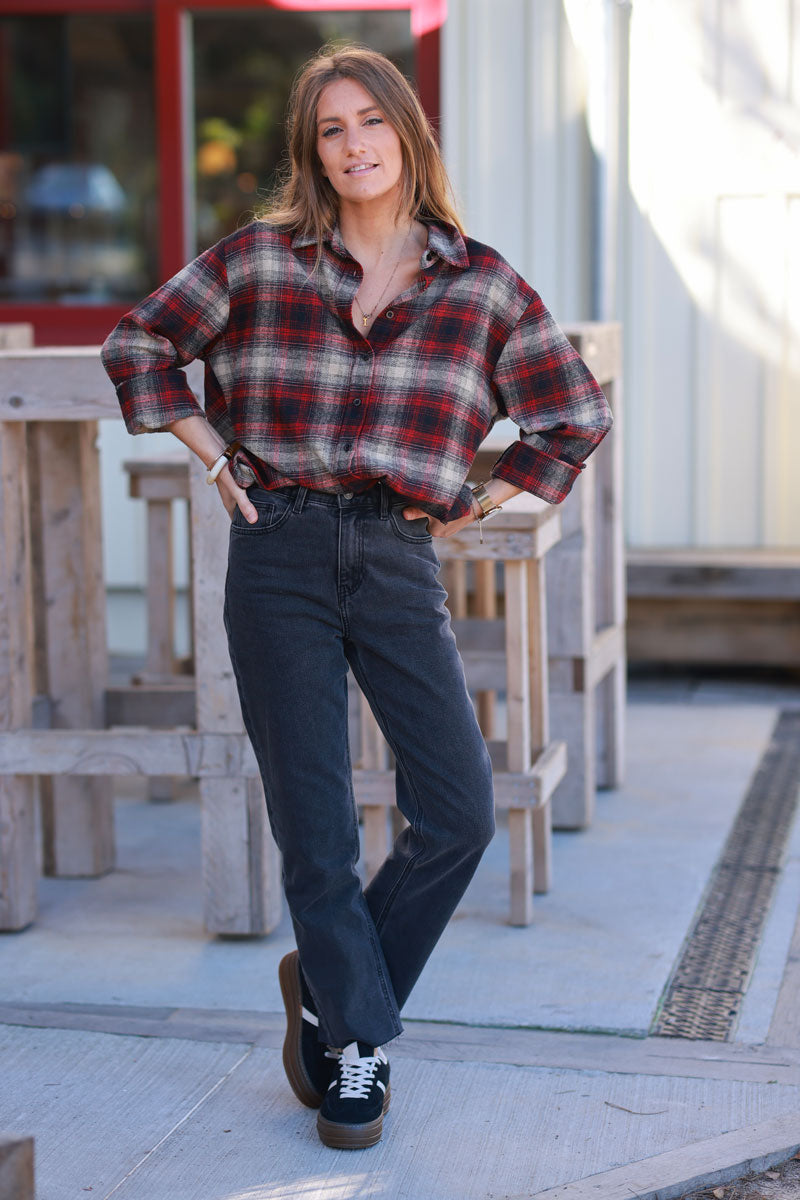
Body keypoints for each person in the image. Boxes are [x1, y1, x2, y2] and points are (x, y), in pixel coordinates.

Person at [101, 43, 612, 1150]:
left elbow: (572, 413)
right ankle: (359, 1054)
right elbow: (139, 338)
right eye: (329, 129)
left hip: (392, 552)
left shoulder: (478, 284)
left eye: (368, 122)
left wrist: (472, 503)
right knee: (318, 830)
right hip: (275, 547)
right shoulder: (257, 261)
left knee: (458, 813)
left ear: (405, 135)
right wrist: (208, 450)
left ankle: (331, 992)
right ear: (310, 148)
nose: (352, 146)